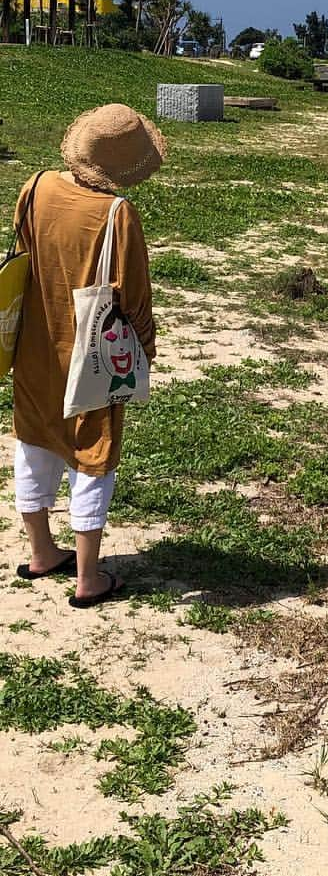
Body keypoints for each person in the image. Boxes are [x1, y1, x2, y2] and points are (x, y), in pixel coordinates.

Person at [11, 103, 164, 607]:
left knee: (33, 438)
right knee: (93, 452)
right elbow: (133, 297)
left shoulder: (36, 187)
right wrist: (146, 348)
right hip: (91, 353)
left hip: (34, 344)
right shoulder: (117, 214)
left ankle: (40, 552)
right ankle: (88, 577)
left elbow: (24, 253)